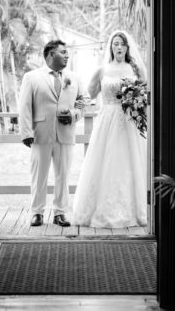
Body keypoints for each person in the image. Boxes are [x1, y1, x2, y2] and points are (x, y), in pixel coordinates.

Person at [72, 30, 149, 228]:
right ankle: (100, 209)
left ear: (127, 47)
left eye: (122, 43)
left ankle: (134, 210)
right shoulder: (102, 70)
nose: (119, 47)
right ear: (111, 47)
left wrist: (137, 104)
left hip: (129, 122)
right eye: (115, 43)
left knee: (127, 162)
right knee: (105, 162)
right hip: (107, 121)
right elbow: (87, 96)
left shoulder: (135, 69)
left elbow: (146, 95)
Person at [17, 39, 86, 227]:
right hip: (40, 134)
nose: (67, 55)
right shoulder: (31, 77)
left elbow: (83, 101)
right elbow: (24, 106)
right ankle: (37, 212)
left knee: (63, 175)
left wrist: (73, 114)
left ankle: (60, 213)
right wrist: (25, 132)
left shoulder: (74, 77)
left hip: (65, 133)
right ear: (50, 55)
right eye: (63, 52)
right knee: (39, 175)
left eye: (67, 52)